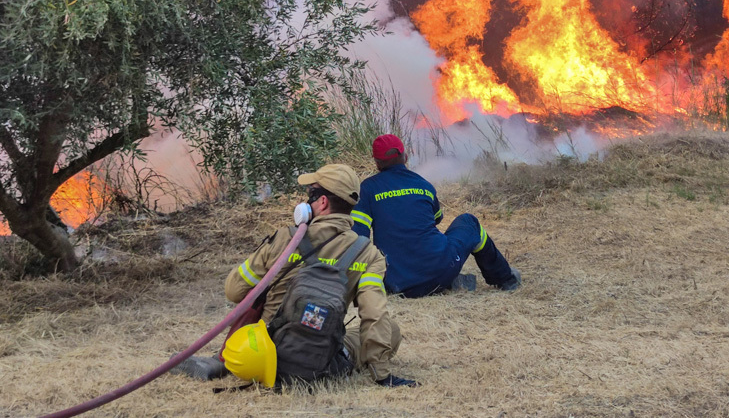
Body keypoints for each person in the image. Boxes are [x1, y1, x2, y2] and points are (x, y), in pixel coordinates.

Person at [174, 164, 416, 387]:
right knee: (390, 330)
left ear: (321, 203)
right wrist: (381, 374)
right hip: (320, 359)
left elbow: (234, 291)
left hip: (261, 354)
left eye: (309, 196)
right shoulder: (368, 254)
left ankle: (225, 360)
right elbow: (374, 314)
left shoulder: (283, 238)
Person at [350, 134, 521, 298]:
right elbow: (437, 218)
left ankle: (446, 282)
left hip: (396, 281)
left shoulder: (367, 189)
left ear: (377, 163)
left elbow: (358, 236)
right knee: (469, 223)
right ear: (405, 156)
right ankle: (505, 279)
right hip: (441, 270)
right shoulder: (424, 185)